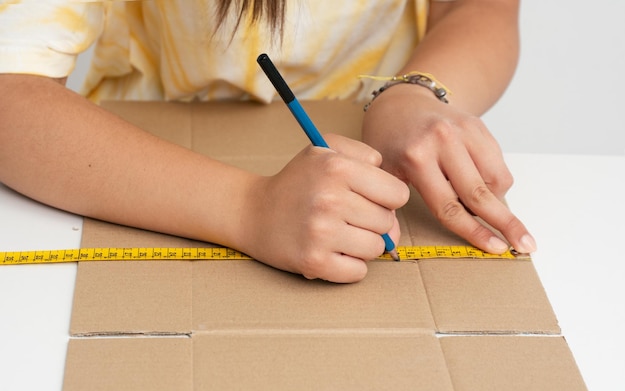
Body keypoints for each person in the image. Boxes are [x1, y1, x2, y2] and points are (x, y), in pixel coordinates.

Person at [0, 0, 535, 283]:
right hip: (137, 159)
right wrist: (248, 209)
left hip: (370, 125)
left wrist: (413, 94)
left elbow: (480, 6)